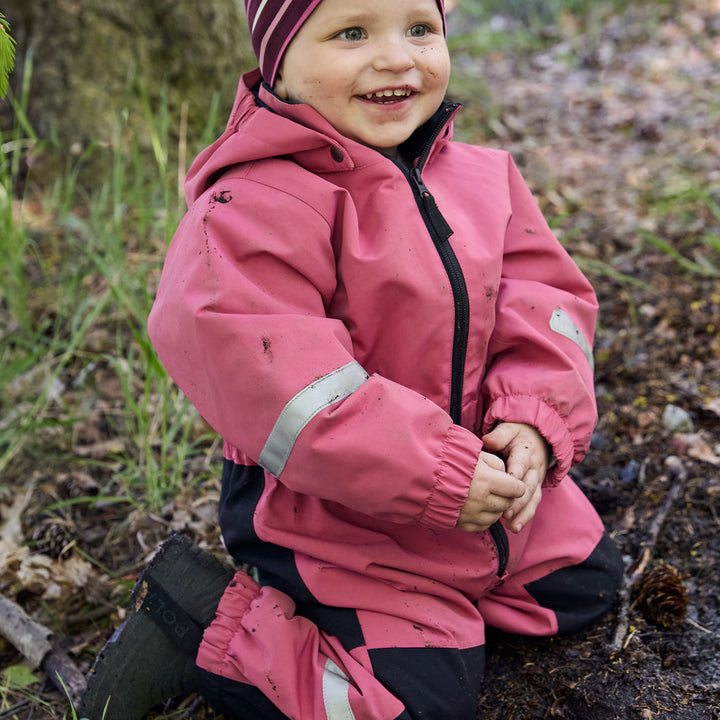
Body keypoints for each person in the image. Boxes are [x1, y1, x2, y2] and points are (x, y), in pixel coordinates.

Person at [79, 0, 624, 718]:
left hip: (475, 478)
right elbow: (283, 382)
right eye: (352, 33)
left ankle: (449, 593)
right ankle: (206, 624)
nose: (397, 58)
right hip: (332, 511)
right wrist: (436, 472)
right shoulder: (251, 209)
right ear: (280, 60)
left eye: (419, 29)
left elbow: (544, 301)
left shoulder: (484, 178)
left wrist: (530, 421)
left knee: (587, 584)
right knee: (411, 704)